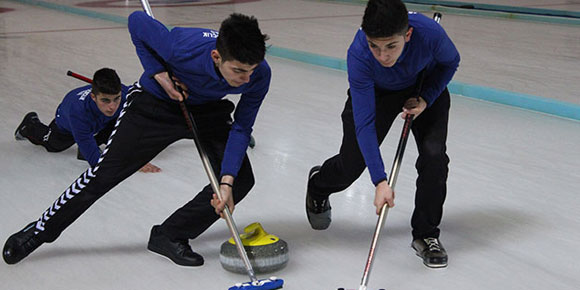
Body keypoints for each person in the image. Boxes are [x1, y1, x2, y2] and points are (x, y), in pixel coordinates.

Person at [3, 11, 270, 267]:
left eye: (251, 71)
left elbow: (242, 128)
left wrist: (226, 182)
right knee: (104, 174)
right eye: (238, 71)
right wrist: (159, 73)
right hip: (155, 104)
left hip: (207, 109)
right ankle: (40, 230)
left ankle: (170, 235)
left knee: (240, 180)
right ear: (216, 56)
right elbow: (136, 21)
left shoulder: (259, 74)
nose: (246, 79)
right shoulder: (180, 47)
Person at [305, 0, 460, 268]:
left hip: (423, 88)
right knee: (352, 164)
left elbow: (450, 63)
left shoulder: (430, 34)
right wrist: (380, 180)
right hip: (377, 94)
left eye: (391, 46)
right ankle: (319, 184)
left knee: (434, 157)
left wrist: (426, 98)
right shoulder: (359, 55)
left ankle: (426, 234)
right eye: (374, 46)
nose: (382, 55)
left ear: (407, 35)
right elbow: (364, 124)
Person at [14, 68, 160, 173]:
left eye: (116, 99)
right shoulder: (78, 114)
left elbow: (145, 94)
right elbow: (96, 162)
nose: (112, 106)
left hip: (99, 122)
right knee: (54, 145)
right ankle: (30, 124)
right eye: (105, 100)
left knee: (124, 119)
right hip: (66, 126)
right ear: (93, 97)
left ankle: (92, 142)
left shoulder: (124, 94)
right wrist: (133, 161)